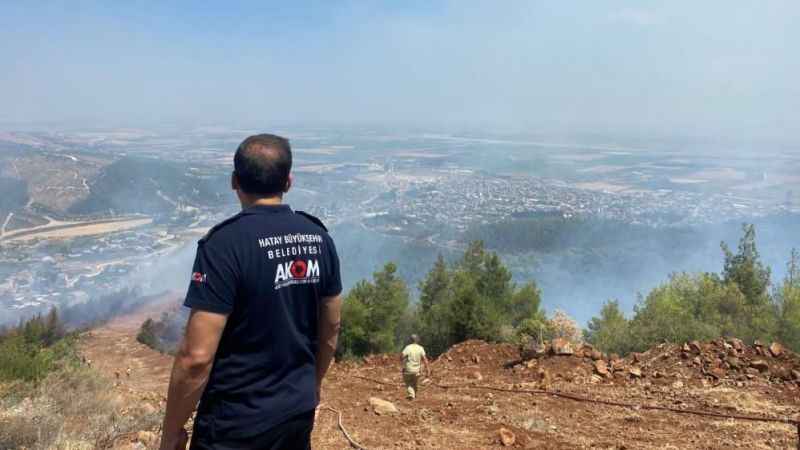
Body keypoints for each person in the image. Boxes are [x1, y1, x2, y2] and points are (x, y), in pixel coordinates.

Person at [158, 134, 343, 450]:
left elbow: (196, 358)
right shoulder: (319, 238)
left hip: (235, 424)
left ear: (234, 181)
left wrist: (171, 432)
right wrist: (312, 385)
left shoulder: (223, 245)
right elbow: (332, 326)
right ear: (288, 182)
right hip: (295, 413)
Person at [400, 334, 429, 400]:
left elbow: (402, 356)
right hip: (417, 370)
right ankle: (414, 395)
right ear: (417, 340)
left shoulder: (408, 347)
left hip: (408, 370)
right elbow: (425, 359)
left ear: (410, 340)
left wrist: (403, 363)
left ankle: (411, 395)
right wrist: (428, 370)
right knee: (415, 383)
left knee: (408, 383)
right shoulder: (420, 348)